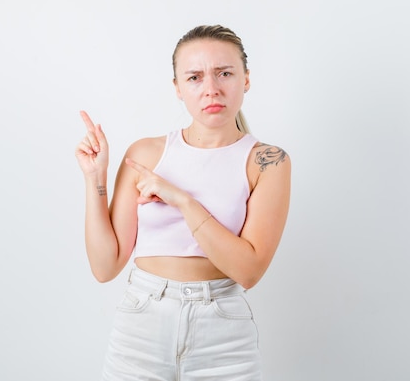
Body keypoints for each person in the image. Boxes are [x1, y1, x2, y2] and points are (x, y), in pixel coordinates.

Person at [75, 24, 291, 381]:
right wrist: (95, 178)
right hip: (140, 328)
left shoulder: (267, 161)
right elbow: (105, 266)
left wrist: (182, 201)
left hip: (223, 336)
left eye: (225, 73)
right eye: (194, 77)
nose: (211, 89)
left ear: (246, 79)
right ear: (177, 87)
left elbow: (248, 271)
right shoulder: (145, 154)